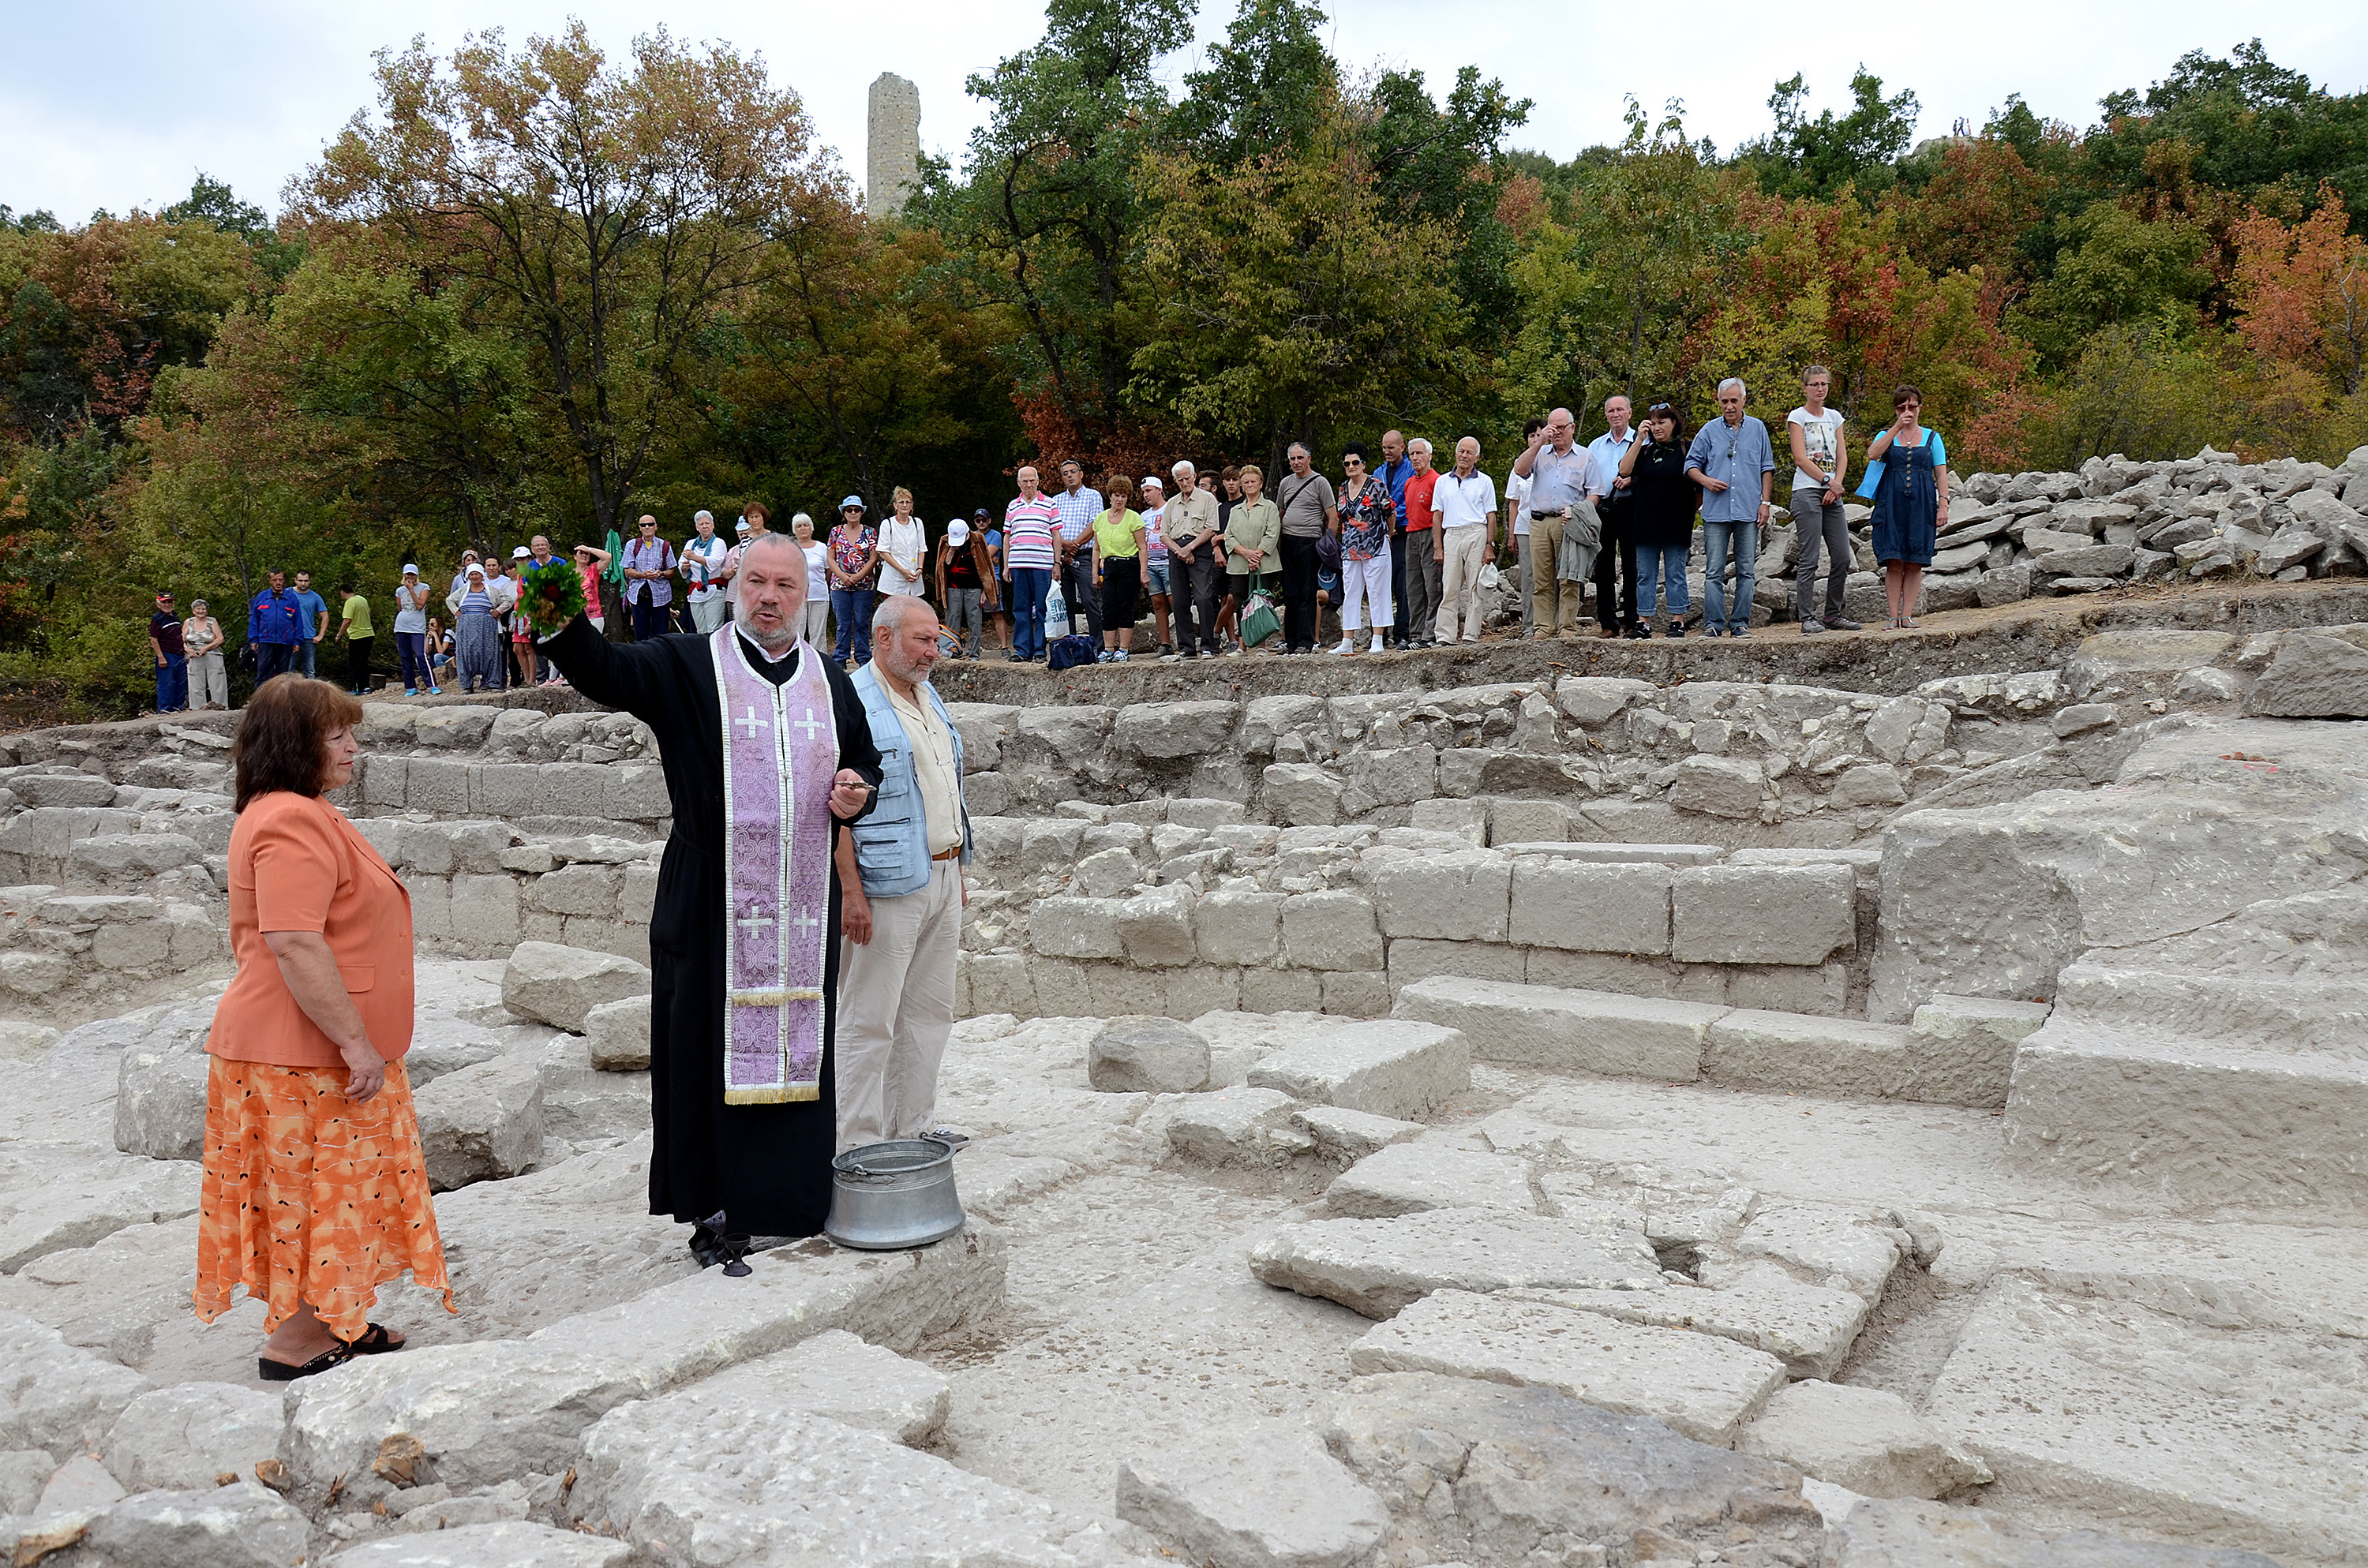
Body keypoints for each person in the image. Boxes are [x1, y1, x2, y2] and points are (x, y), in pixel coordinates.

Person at [533, 533, 883, 1258]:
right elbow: (609, 672)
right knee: (705, 1048)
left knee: (797, 1048)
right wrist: (563, 615)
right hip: (709, 899)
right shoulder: (690, 661)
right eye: (755, 581)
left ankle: (793, 1199)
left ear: (805, 594)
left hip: (799, 903)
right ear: (731, 583)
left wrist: (857, 792)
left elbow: (861, 761)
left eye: (785, 586)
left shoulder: (829, 677)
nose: (769, 597)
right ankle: (716, 1209)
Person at [195, 675, 452, 1378]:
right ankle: (296, 1341)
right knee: (319, 1192)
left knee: (336, 1191)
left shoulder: (302, 809)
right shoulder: (289, 819)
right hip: (301, 1052)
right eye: (336, 736)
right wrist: (354, 1041)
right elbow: (294, 940)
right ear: (293, 746)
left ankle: (333, 1317)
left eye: (349, 733)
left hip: (305, 1048)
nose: (352, 747)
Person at [835, 596, 970, 1153]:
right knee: (869, 1019)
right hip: (884, 884)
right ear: (883, 638)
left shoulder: (925, 689)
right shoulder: (853, 699)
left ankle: (911, 1127)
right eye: (922, 640)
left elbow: (945, 786)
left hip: (940, 873)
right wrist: (851, 892)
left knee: (928, 1012)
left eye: (935, 640)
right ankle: (856, 1142)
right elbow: (834, 807)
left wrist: (958, 863)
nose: (933, 652)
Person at [1685, 378, 1775, 638]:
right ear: (1719, 401)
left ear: (1744, 400)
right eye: (1724, 401)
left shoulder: (1757, 429)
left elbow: (1766, 467)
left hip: (1748, 509)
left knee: (1746, 570)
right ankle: (1713, 624)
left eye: (1734, 400)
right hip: (1716, 511)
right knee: (1714, 570)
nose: (1729, 406)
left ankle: (1740, 624)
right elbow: (1690, 465)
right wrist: (1706, 481)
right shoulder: (1709, 431)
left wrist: (1765, 503)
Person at [1866, 384, 1948, 630]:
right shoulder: (1886, 435)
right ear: (1896, 410)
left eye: (1912, 407)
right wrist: (1898, 427)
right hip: (1891, 503)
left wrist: (1943, 504)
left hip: (1922, 503)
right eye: (1902, 407)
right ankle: (1893, 616)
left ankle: (1908, 615)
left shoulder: (1933, 437)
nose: (1907, 411)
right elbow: (1873, 454)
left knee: (1915, 560)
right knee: (1894, 559)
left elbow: (1941, 474)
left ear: (1920, 407)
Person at [1789, 366, 1860, 634]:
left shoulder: (1834, 417)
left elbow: (1842, 455)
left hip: (1833, 491)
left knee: (1842, 555)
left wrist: (1837, 485)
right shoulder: (1798, 417)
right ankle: (1807, 616)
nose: (1820, 389)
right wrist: (1826, 481)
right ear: (1805, 387)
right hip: (1808, 490)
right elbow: (1800, 457)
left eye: (1824, 384)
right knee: (1810, 557)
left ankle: (1833, 614)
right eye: (1815, 384)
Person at [1511, 410, 1591, 636]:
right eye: (1552, 428)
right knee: (1541, 579)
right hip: (1538, 522)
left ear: (1572, 428)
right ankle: (1543, 627)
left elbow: (1594, 493)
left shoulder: (1585, 457)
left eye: (1561, 428)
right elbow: (1520, 470)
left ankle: (1567, 627)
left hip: (1569, 523)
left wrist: (1577, 511)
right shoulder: (1540, 453)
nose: (1557, 433)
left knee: (1568, 577)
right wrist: (1539, 443)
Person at [1621, 402, 1697, 638]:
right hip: (1646, 522)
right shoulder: (1644, 451)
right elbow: (1624, 470)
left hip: (1677, 521)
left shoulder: (1686, 448)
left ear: (1674, 423)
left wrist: (1690, 512)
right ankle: (1643, 621)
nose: (1657, 427)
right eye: (1653, 423)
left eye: (1662, 422)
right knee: (1645, 573)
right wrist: (1638, 440)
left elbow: (1698, 484)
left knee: (1675, 572)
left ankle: (1678, 620)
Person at [1433, 438, 1498, 645]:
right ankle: (1445, 636)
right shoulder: (1443, 481)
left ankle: (1471, 634)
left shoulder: (1484, 481)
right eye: (1461, 451)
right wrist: (1438, 547)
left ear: (1477, 457)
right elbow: (1437, 515)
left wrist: (1490, 545)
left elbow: (1491, 516)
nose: (1464, 456)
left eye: (1470, 453)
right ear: (1455, 453)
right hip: (1451, 533)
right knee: (1449, 587)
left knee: (1474, 587)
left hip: (1476, 533)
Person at [1586, 396, 1642, 638]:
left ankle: (1632, 620)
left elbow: (1649, 474)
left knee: (1632, 565)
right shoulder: (1595, 446)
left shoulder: (1641, 441)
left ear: (1629, 413)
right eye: (1611, 410)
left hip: (1631, 504)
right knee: (1604, 567)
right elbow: (1587, 479)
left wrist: (1632, 480)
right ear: (1606, 415)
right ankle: (1608, 624)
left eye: (1620, 409)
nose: (1615, 414)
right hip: (1603, 508)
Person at [1275, 443, 1337, 655]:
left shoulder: (1320, 482)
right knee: (1290, 593)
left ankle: (1306, 641)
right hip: (1289, 541)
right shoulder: (1285, 483)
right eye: (1292, 459)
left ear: (1309, 459)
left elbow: (1332, 515)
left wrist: (1328, 543)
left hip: (1311, 542)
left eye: (1300, 458)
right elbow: (1280, 513)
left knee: (1307, 593)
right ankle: (1289, 641)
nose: (1296, 463)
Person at [1332, 443, 1394, 657]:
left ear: (1364, 464)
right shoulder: (1343, 488)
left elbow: (1390, 512)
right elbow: (1343, 517)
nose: (1351, 466)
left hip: (1375, 544)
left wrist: (1388, 534)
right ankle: (1347, 640)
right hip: (1351, 548)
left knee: (1377, 591)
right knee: (1351, 592)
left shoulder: (1376, 485)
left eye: (1355, 462)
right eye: (1347, 463)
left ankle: (1377, 639)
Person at [1165, 460, 1223, 659]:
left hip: (1199, 548)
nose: (1184, 482)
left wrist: (1189, 548)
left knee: (1203, 597)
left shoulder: (1207, 499)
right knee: (1179, 600)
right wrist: (1180, 550)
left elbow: (1211, 528)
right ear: (1175, 481)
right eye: (1180, 480)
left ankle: (1208, 645)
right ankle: (1186, 647)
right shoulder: (1171, 503)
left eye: (1187, 478)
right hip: (1176, 550)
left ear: (1194, 476)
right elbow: (1164, 534)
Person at [1002, 467, 1060, 664]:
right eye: (1025, 481)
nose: (1029, 485)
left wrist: (1057, 563)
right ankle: (1022, 649)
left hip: (1043, 564)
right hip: (1018, 564)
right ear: (1018, 483)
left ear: (1038, 481)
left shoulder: (1050, 504)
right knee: (1021, 608)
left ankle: (1039, 650)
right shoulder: (1012, 506)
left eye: (1032, 481)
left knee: (1043, 608)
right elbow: (1007, 537)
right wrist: (1006, 565)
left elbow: (1056, 535)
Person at [1088, 476, 1149, 663]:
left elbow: (1142, 547)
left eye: (1123, 496)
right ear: (1110, 496)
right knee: (1108, 607)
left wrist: (1143, 572)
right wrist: (1094, 573)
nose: (1120, 500)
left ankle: (1123, 649)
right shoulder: (1100, 519)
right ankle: (1108, 649)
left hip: (1129, 565)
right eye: (1116, 495)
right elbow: (1097, 548)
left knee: (1126, 607)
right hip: (1109, 566)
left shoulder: (1134, 518)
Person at [1223, 465, 1280, 656]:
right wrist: (1246, 554)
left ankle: (1261, 645)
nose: (1249, 485)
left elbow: (1272, 533)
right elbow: (1229, 536)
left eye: (1253, 481)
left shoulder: (1270, 507)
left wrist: (1257, 555)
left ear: (1261, 483)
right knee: (1241, 604)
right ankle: (1242, 645)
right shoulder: (1235, 510)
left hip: (1265, 565)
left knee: (1261, 603)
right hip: (1239, 565)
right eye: (1245, 482)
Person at [1051, 459, 1104, 640]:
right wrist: (1065, 545)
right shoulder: (1055, 500)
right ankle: (1070, 644)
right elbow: (1052, 529)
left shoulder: (1093, 496)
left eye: (1073, 471)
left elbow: (1095, 524)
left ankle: (1098, 645)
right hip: (1061, 556)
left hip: (1085, 555)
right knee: (1065, 604)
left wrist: (1074, 547)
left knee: (1090, 600)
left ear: (1081, 474)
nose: (1070, 476)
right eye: (1065, 473)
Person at [1397, 440, 1441, 648]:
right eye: (1412, 454)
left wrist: (1438, 542)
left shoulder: (1437, 481)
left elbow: (1440, 514)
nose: (1415, 458)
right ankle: (1415, 634)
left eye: (1420, 453)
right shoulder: (1409, 483)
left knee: (1432, 585)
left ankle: (1430, 633)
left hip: (1430, 534)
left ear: (1429, 456)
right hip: (1411, 534)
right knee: (1413, 586)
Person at [827, 496, 880, 667]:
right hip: (839, 585)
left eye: (856, 510)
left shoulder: (870, 532)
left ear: (861, 512)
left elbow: (873, 559)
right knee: (843, 623)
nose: (853, 513)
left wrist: (858, 576)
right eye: (849, 510)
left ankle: (863, 657)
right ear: (844, 512)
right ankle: (840, 658)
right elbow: (830, 558)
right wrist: (842, 576)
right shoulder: (835, 532)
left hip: (864, 585)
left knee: (861, 622)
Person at [935, 518, 996, 659]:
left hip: (974, 588)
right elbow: (942, 567)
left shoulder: (978, 540)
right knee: (952, 620)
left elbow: (986, 567)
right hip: (953, 588)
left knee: (974, 621)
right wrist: (952, 550)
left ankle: (974, 653)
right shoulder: (945, 541)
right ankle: (952, 651)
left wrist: (985, 591)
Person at [1506, 416, 1543, 634]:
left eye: (1539, 435)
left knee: (1550, 575)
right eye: (1532, 436)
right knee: (1528, 576)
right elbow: (1514, 503)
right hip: (1524, 528)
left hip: (1551, 525)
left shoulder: (1553, 460)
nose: (1536, 439)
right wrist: (1511, 534)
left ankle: (1551, 621)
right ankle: (1529, 623)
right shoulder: (1519, 466)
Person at [1376, 430, 1414, 649]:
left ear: (1402, 447)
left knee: (1402, 585)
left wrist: (1394, 519)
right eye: (1384, 447)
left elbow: (1408, 502)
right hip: (1380, 536)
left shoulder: (1410, 470)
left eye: (1391, 447)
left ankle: (1403, 633)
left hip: (1402, 533)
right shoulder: (1378, 472)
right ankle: (1379, 634)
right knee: (1380, 586)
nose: (1387, 452)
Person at [447, 563, 507, 691]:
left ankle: (493, 683)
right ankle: (467, 685)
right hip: (466, 626)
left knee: (490, 654)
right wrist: (457, 613)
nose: (474, 577)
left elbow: (508, 600)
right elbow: (449, 600)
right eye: (472, 574)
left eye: (477, 574)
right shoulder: (463, 591)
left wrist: (498, 611)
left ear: (482, 575)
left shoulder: (490, 590)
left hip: (487, 626)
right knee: (466, 654)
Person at [620, 516, 678, 642]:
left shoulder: (665, 545)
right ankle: (642, 659)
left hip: (661, 595)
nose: (647, 527)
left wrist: (661, 574)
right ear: (640, 528)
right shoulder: (632, 545)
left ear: (656, 526)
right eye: (643, 525)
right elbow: (627, 570)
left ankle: (661, 659)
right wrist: (643, 575)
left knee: (661, 634)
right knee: (640, 633)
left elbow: (672, 571)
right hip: (638, 595)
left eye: (650, 524)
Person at [246, 569, 306, 685]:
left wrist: (297, 641)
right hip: (265, 640)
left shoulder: (292, 598)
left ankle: (281, 700)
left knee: (283, 674)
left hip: (285, 641)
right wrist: (253, 640)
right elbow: (254, 620)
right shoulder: (262, 597)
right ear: (270, 581)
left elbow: (298, 621)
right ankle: (261, 700)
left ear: (284, 581)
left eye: (280, 580)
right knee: (263, 671)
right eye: (275, 580)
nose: (278, 582)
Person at [1137, 476, 1172, 655]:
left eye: (1149, 490)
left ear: (1159, 490)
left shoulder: (1170, 507)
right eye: (1143, 492)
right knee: (1158, 603)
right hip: (1151, 563)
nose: (1145, 495)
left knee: (1175, 600)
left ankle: (1184, 639)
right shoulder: (1144, 516)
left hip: (1168, 561)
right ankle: (1165, 643)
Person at [681, 511, 732, 634]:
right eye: (701, 524)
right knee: (700, 629)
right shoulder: (691, 544)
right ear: (697, 527)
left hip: (715, 589)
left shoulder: (718, 543)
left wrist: (693, 558)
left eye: (707, 523)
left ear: (712, 525)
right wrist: (684, 567)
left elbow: (715, 561)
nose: (705, 526)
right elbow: (682, 562)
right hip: (696, 590)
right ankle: (703, 652)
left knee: (714, 629)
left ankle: (714, 652)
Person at [877, 488, 929, 607]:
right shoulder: (887, 524)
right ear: (895, 505)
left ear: (912, 505)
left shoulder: (917, 523)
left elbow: (922, 549)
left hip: (914, 580)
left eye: (908, 502)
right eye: (901, 502)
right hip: (893, 582)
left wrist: (920, 568)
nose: (905, 505)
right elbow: (883, 552)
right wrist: (903, 571)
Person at [392, 567, 437, 696]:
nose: (410, 577)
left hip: (417, 627)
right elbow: (400, 608)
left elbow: (420, 605)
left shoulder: (424, 587)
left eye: (412, 575)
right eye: (408, 575)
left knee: (420, 654)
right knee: (405, 656)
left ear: (417, 575)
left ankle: (432, 684)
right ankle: (411, 686)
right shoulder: (399, 591)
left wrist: (411, 590)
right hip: (402, 626)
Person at [792, 513, 830, 646]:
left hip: (819, 595)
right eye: (799, 526)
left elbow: (829, 570)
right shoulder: (791, 548)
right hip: (795, 598)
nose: (803, 528)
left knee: (818, 634)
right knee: (796, 633)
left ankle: (818, 663)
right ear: (794, 530)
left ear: (812, 529)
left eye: (806, 525)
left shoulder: (822, 547)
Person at [185, 598, 230, 709]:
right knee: (196, 685)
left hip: (213, 654)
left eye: (203, 609)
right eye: (198, 609)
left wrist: (207, 648)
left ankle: (221, 708)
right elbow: (180, 641)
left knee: (217, 684)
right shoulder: (188, 622)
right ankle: (197, 710)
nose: (201, 611)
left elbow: (220, 639)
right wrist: (188, 650)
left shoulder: (212, 621)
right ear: (193, 610)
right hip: (194, 656)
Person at [150, 590, 189, 714]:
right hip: (167, 654)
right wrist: (161, 657)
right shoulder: (157, 619)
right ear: (158, 604)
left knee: (180, 684)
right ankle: (164, 710)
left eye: (169, 602)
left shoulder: (175, 616)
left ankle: (178, 709)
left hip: (179, 655)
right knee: (166, 684)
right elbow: (154, 640)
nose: (167, 605)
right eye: (164, 602)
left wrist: (185, 652)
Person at [976, 509, 1008, 652]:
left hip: (992, 579)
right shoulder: (972, 535)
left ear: (989, 520)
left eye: (984, 520)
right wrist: (989, 558)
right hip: (974, 579)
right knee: (974, 615)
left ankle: (1004, 646)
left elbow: (987, 555)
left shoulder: (995, 535)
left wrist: (991, 558)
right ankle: (976, 646)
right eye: (978, 520)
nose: (981, 523)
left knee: (997, 613)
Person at [335, 581, 374, 696]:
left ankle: (357, 688)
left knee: (354, 663)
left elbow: (347, 620)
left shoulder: (350, 602)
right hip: (369, 634)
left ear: (342, 592)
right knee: (364, 662)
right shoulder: (362, 599)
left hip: (357, 636)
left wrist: (339, 634)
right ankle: (366, 686)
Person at [292, 571, 329, 679]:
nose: (303, 583)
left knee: (310, 670)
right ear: (296, 580)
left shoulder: (315, 597)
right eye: (300, 581)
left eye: (306, 581)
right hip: (291, 636)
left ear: (310, 581)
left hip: (308, 637)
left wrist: (321, 635)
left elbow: (325, 616)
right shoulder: (288, 593)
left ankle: (311, 694)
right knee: (288, 670)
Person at [572, 543, 613, 635]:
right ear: (575, 556)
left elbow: (608, 557)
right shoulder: (569, 573)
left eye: (586, 553)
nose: (584, 555)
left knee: (594, 646)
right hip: (575, 616)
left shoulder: (594, 569)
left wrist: (589, 549)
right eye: (581, 553)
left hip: (594, 616)